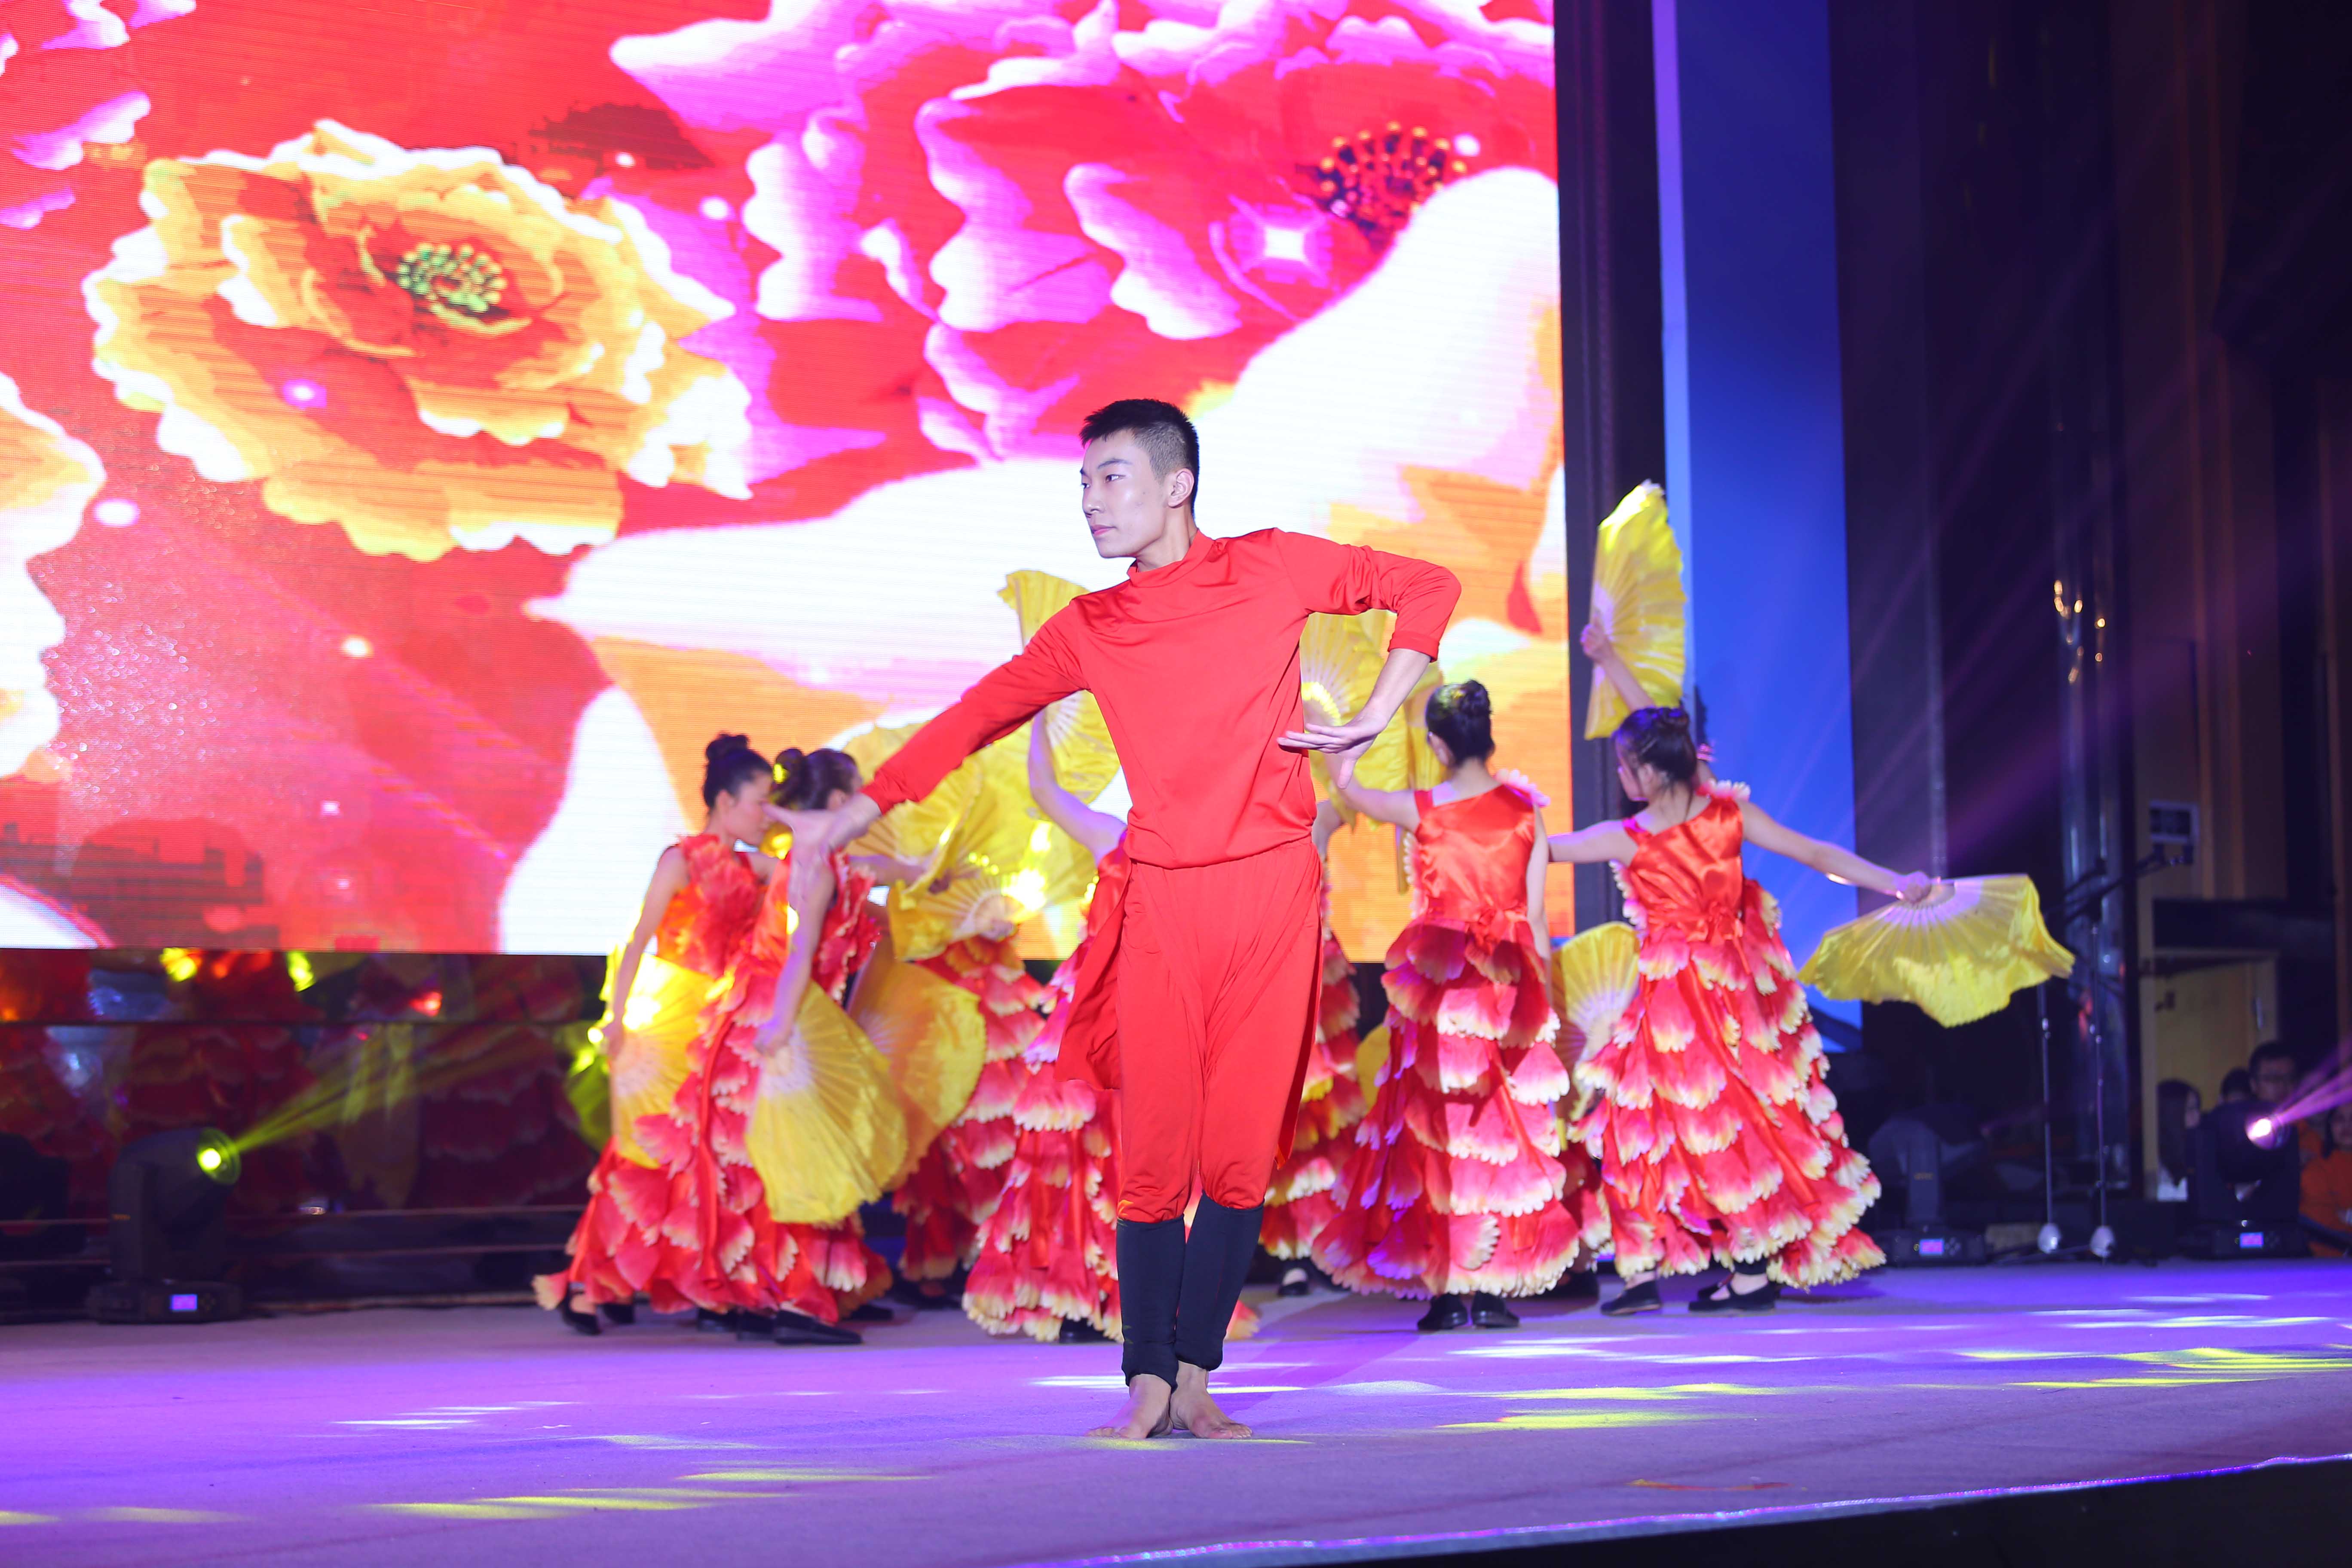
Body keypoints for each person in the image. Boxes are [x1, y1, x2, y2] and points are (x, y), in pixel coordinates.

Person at [778, 398, 1459, 1439]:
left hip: (1273, 896)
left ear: (1175, 484)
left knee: (1239, 1154)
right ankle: (1146, 1379)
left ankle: (1195, 1377)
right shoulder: (1092, 627)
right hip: (1160, 900)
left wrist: (1376, 710)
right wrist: (858, 813)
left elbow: (1427, 586)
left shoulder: (1270, 567)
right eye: (1084, 484)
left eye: (1111, 479)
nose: (1091, 503)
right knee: (1153, 1151)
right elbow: (973, 716)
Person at [1548, 707, 1935, 1313]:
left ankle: (1735, 1271)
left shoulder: (1633, 835)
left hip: (1680, 1006)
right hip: (1727, 997)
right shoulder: (1725, 817)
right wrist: (1893, 880)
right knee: (1714, 1122)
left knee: (1673, 1127)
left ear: (1648, 772)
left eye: (1624, 766)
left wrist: (1476, 821)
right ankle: (1674, 1272)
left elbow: (1543, 849)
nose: (1621, 776)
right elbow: (1815, 852)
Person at [536, 735, 872, 1343]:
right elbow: (639, 939)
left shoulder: (754, 865)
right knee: (648, 1160)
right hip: (670, 1021)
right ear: (724, 802)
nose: (766, 814)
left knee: (709, 1165)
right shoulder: (680, 860)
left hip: (724, 1018)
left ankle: (716, 1286)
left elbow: (823, 872)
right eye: (758, 802)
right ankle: (592, 1285)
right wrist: (616, 1018)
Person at [1311, 680, 1603, 1328]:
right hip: (1507, 987)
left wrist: (1344, 736)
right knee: (1500, 1134)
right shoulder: (1526, 808)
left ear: (1438, 746)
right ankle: (1492, 1290)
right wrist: (1541, 1004)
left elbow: (1350, 790)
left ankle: (1447, 1290)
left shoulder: (1422, 807)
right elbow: (1536, 918)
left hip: (1440, 993)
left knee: (1441, 1138)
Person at [963, 720, 1132, 1341]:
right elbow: (1045, 791)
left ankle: (1122, 1292)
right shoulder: (1115, 835)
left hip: (1154, 1006)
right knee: (1075, 1148)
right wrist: (1038, 720)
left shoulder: (1185, 845)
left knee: (1131, 1151)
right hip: (1094, 1004)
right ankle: (1074, 1290)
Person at [1259, 799, 1371, 1291]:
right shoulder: (1237, 815)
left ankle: (1319, 1248)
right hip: (1261, 981)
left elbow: (1356, 796)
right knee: (1275, 1122)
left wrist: (1326, 730)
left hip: (1317, 987)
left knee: (1318, 1127)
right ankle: (1287, 1252)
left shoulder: (1319, 814)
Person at [2298, 1103, 2352, 1256]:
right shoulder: (2316, 1170)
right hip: (2330, 1261)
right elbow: (2319, 1222)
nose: (2347, 1126)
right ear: (2330, 1126)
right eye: (2340, 1119)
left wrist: (2347, 1216)